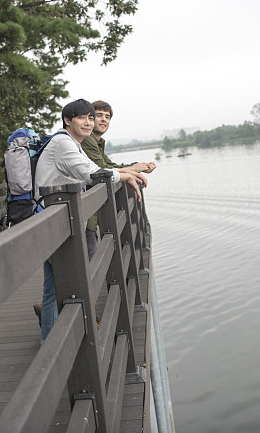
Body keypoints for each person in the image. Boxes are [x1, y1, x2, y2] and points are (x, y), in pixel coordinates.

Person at [34, 99, 147, 343]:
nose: (89, 122)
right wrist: (129, 174)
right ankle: (56, 344)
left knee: (53, 287)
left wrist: (127, 175)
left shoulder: (74, 144)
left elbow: (95, 167)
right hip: (55, 222)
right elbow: (93, 174)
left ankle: (50, 341)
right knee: (62, 285)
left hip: (55, 219)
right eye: (83, 118)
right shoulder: (63, 143)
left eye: (91, 118)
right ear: (67, 120)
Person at [81, 100, 157, 257]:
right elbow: (101, 168)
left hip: (89, 213)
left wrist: (136, 167)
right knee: (89, 265)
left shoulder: (97, 142)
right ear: (90, 118)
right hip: (85, 212)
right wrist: (134, 170)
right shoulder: (87, 139)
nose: (104, 120)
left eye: (107, 117)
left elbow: (109, 164)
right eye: (99, 115)